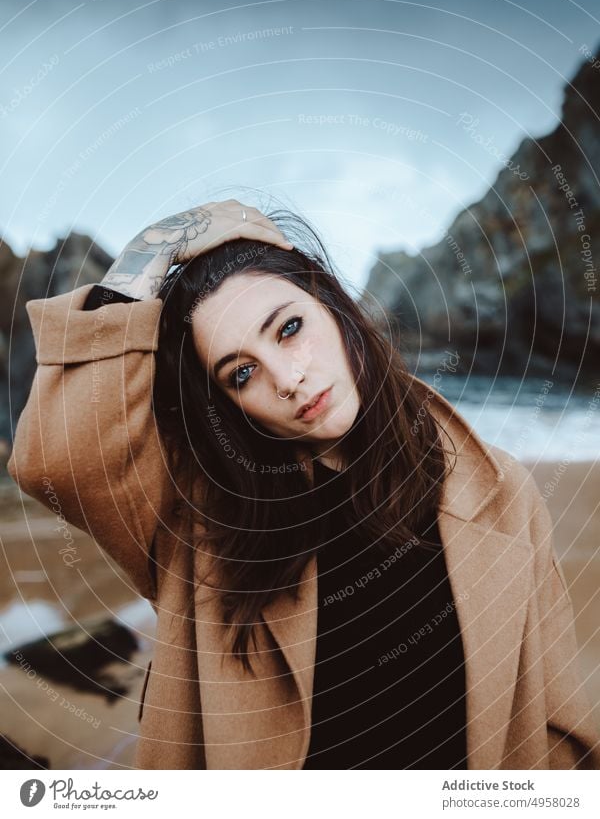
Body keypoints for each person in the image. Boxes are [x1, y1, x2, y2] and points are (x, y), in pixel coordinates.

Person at [7, 200, 600, 770]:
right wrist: (154, 248)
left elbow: (556, 719)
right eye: (241, 373)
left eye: (289, 328)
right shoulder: (198, 523)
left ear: (334, 306)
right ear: (226, 404)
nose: (287, 379)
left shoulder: (499, 492)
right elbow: (53, 462)